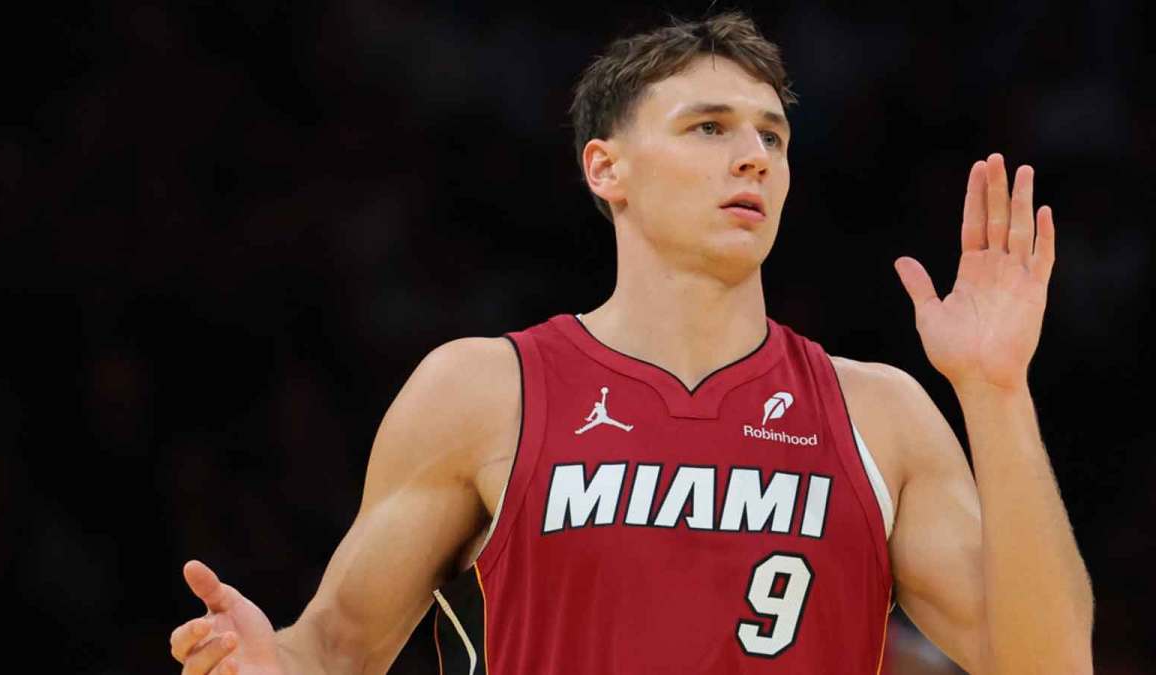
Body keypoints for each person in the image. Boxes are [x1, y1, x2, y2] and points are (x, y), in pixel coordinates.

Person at [169, 12, 1093, 674]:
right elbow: (335, 647)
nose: (755, 156)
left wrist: (997, 390)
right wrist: (267, 660)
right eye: (709, 128)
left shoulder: (878, 413)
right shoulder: (484, 391)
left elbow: (1048, 663)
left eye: (773, 135)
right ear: (605, 167)